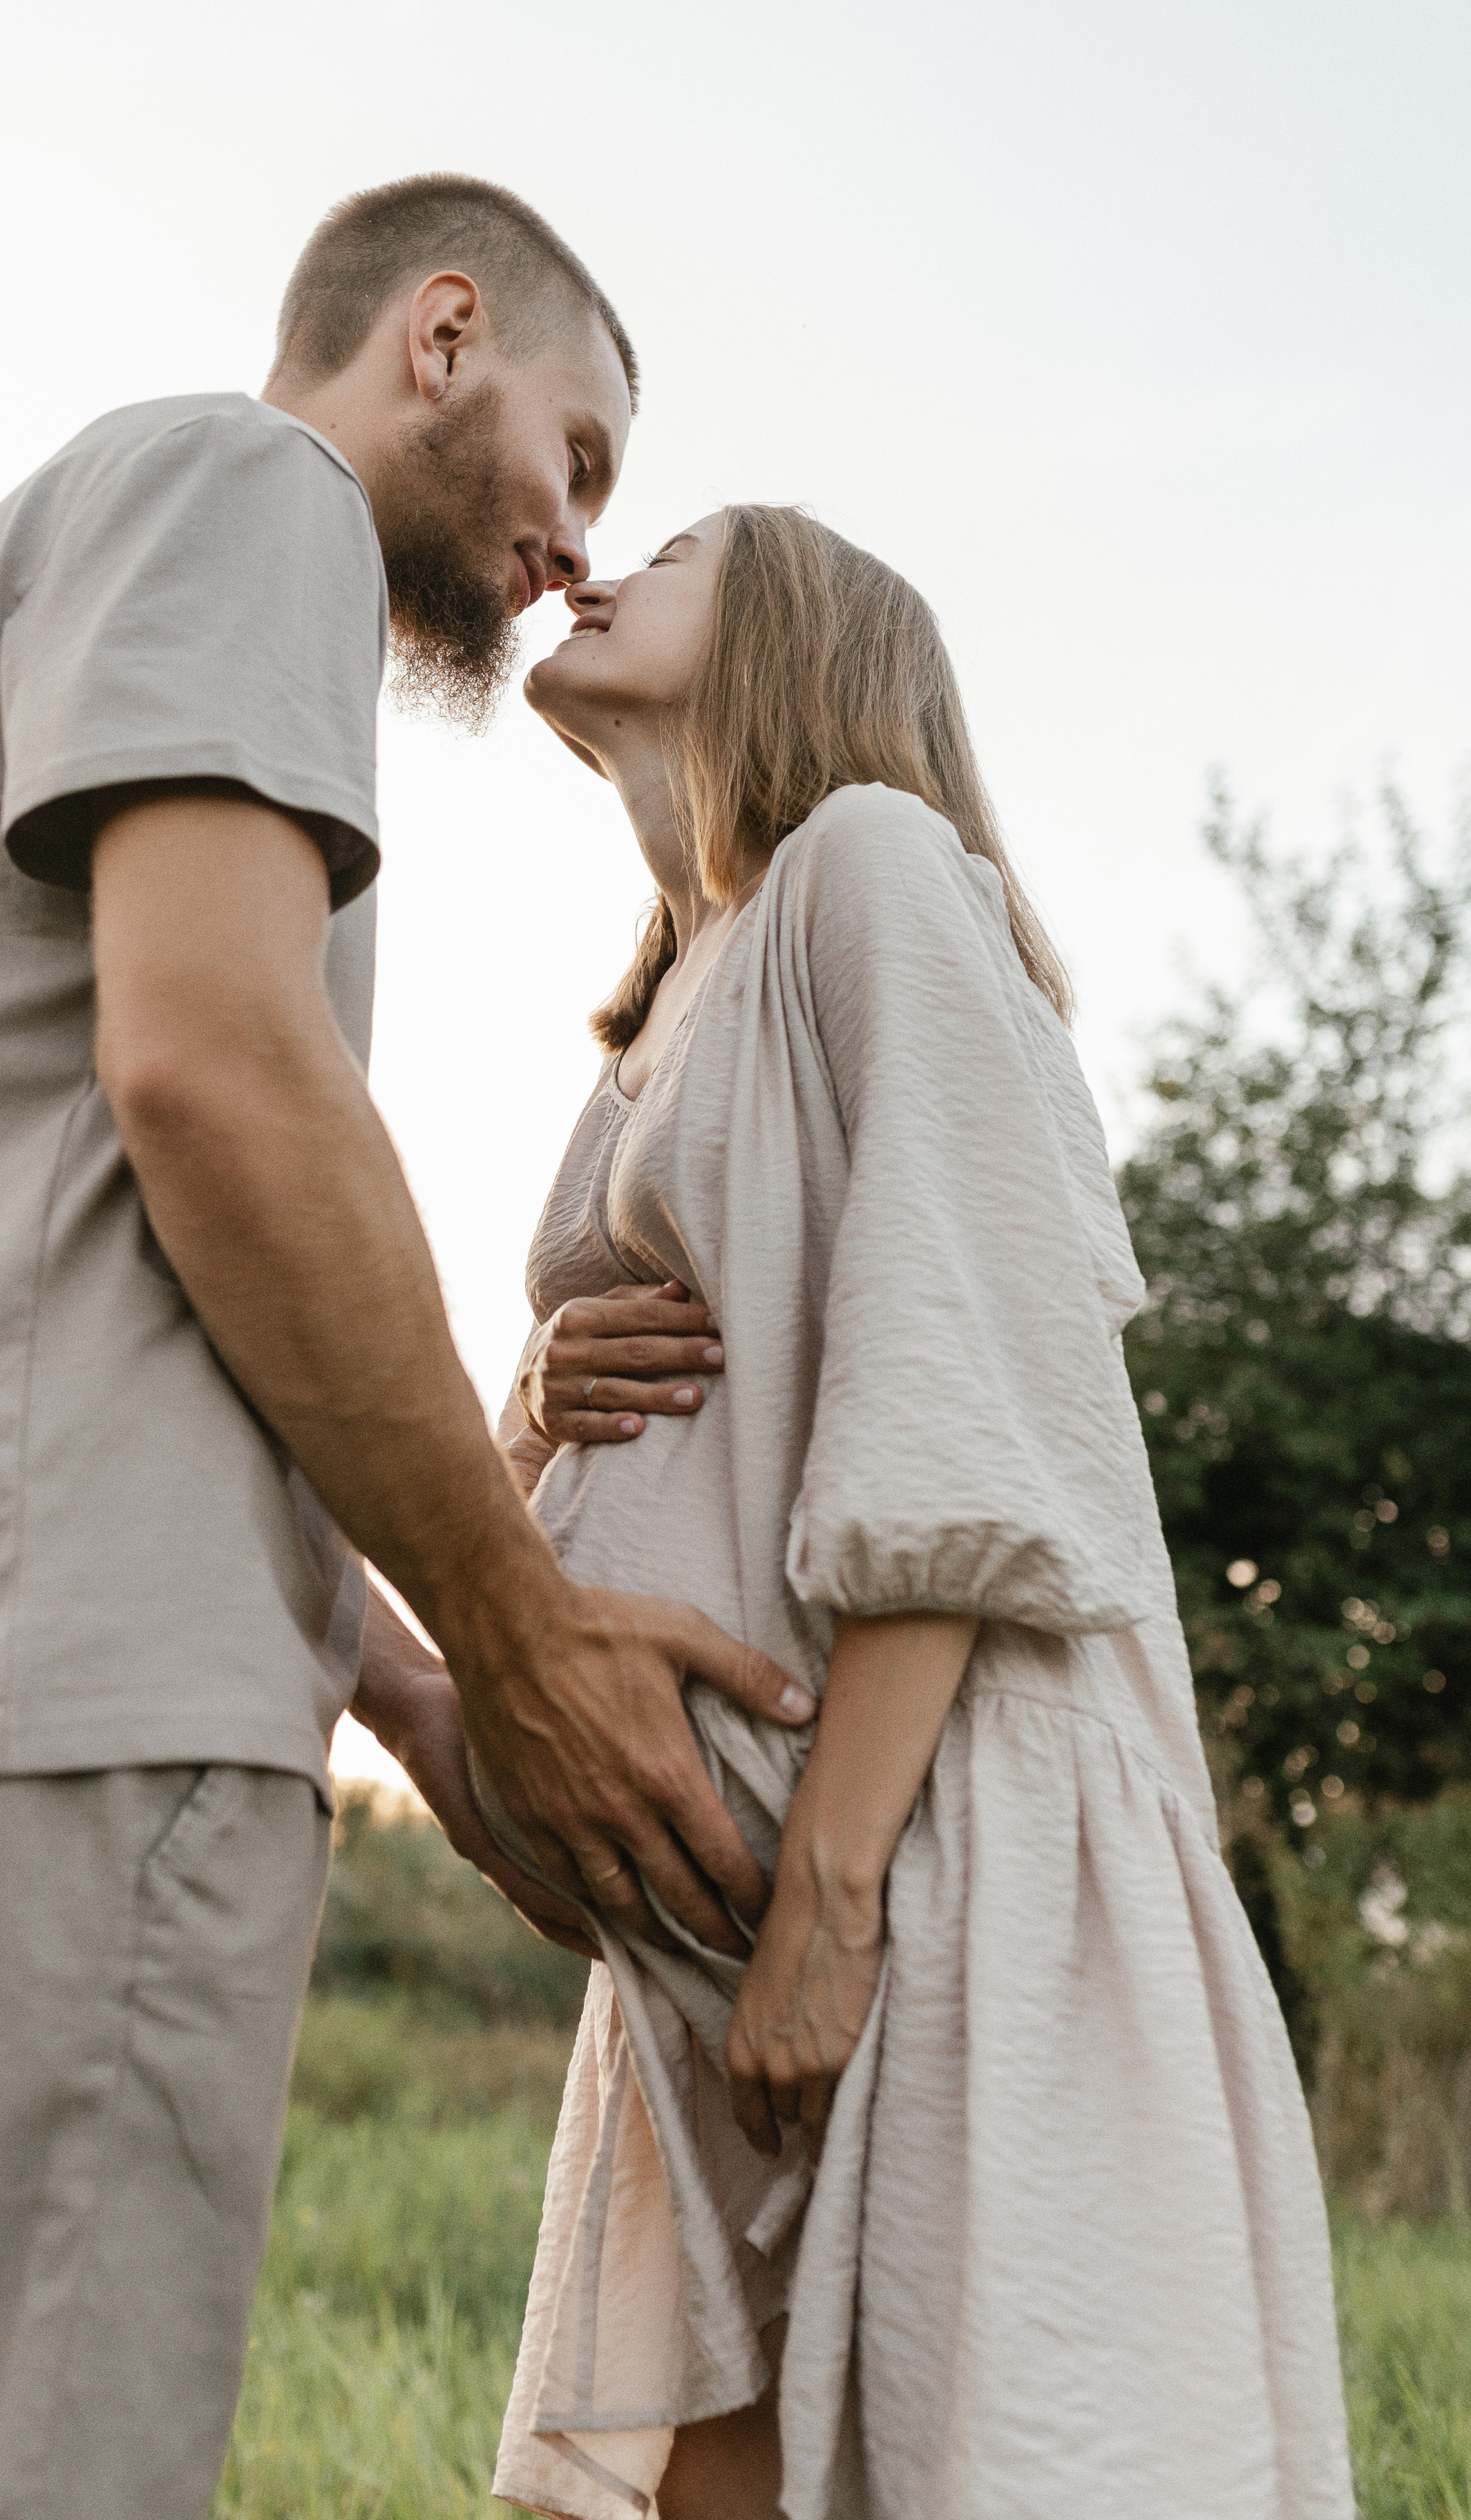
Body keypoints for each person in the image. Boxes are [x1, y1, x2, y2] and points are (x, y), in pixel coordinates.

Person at [0, 178, 813, 2520]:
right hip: (56, 1705)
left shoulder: (164, 548)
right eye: (579, 457)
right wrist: (521, 1637)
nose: (569, 550)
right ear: (440, 334)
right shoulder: (247, 490)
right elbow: (214, 1073)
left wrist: (412, 1689)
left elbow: (159, 1272)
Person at [479, 507, 1354, 2520]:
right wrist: (531, 1391)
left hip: (927, 1845)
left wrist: (834, 1900)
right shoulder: (663, 1009)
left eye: (678, 546)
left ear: (795, 629)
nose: (600, 559)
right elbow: (608, 1417)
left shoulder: (866, 863)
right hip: (730, 1923)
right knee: (724, 2485)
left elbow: (966, 1367)